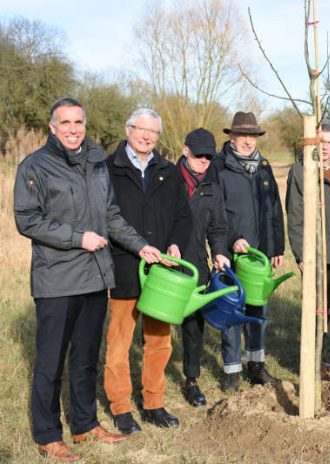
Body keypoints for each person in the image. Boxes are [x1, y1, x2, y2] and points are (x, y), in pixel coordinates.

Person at [14, 98, 162, 462]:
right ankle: (48, 435)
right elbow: (27, 219)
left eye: (78, 121)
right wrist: (77, 237)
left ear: (85, 124)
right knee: (50, 362)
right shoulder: (35, 166)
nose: (72, 128)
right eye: (64, 122)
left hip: (95, 278)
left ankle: (84, 425)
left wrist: (140, 246)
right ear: (52, 127)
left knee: (84, 360)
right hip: (57, 281)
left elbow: (110, 216)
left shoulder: (96, 163)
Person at [104, 108, 192, 434]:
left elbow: (184, 217)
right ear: (128, 129)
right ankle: (121, 408)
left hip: (160, 274)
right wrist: (136, 247)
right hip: (123, 268)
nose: (147, 136)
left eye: (153, 132)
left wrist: (175, 245)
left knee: (159, 342)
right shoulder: (108, 170)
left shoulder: (168, 172)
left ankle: (154, 403)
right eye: (141, 130)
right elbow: (106, 219)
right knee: (119, 343)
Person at [215, 111, 285, 391]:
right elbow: (216, 212)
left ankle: (256, 365)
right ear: (231, 136)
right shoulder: (220, 167)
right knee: (233, 311)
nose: (248, 141)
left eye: (252, 136)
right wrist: (231, 239)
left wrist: (276, 246)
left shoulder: (264, 167)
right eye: (242, 135)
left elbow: (274, 210)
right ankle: (232, 371)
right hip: (233, 255)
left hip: (261, 254)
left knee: (259, 311)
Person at [286, 119, 330, 380]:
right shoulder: (301, 171)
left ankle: (319, 356)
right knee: (314, 307)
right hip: (315, 252)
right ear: (313, 141)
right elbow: (295, 215)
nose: (325, 147)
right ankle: (310, 363)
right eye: (321, 141)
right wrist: (302, 254)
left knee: (328, 307)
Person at [177, 128, 230, 406]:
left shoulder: (213, 186)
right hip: (166, 264)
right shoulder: (167, 179)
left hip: (197, 265)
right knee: (157, 324)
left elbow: (218, 227)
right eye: (199, 155)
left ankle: (191, 379)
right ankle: (148, 381)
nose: (204, 161)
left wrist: (220, 252)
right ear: (185, 150)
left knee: (194, 325)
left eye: (210, 156)